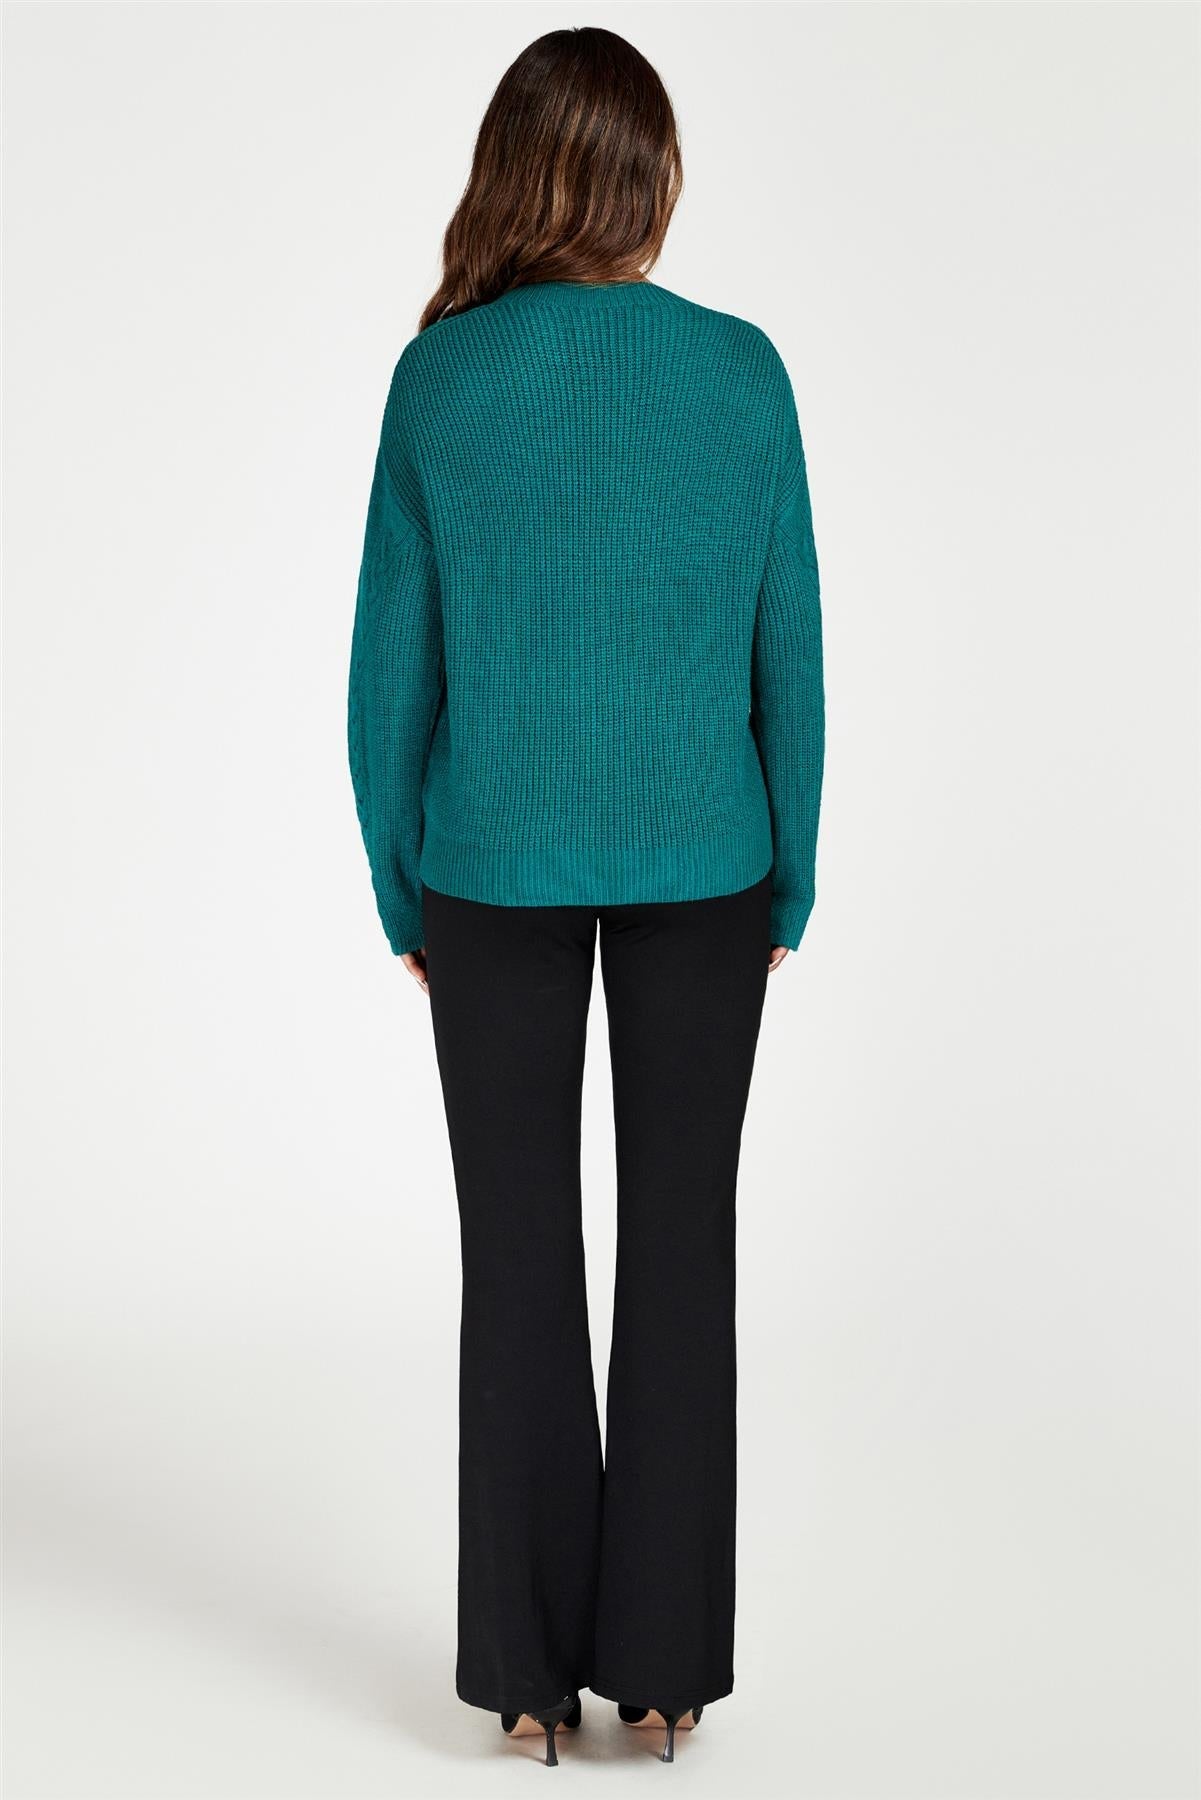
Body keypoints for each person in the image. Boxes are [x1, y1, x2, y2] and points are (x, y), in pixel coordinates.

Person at [347, 24, 825, 1768]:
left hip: (488, 868)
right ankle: (667, 1670)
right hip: (709, 864)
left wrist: (403, 891)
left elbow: (386, 681)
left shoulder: (440, 381)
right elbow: (791, 655)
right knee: (683, 1250)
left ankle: (528, 1679)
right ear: (651, 180)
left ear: (512, 174)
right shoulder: (741, 373)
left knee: (518, 1257)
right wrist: (791, 875)